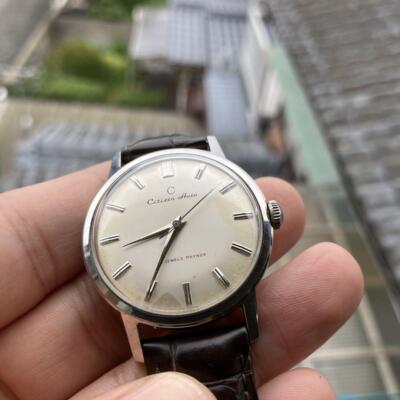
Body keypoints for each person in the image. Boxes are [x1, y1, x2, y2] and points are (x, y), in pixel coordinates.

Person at [0, 163, 364, 400]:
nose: (175, 225)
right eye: (174, 226)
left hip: (220, 310)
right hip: (166, 320)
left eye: (178, 224)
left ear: (269, 216)